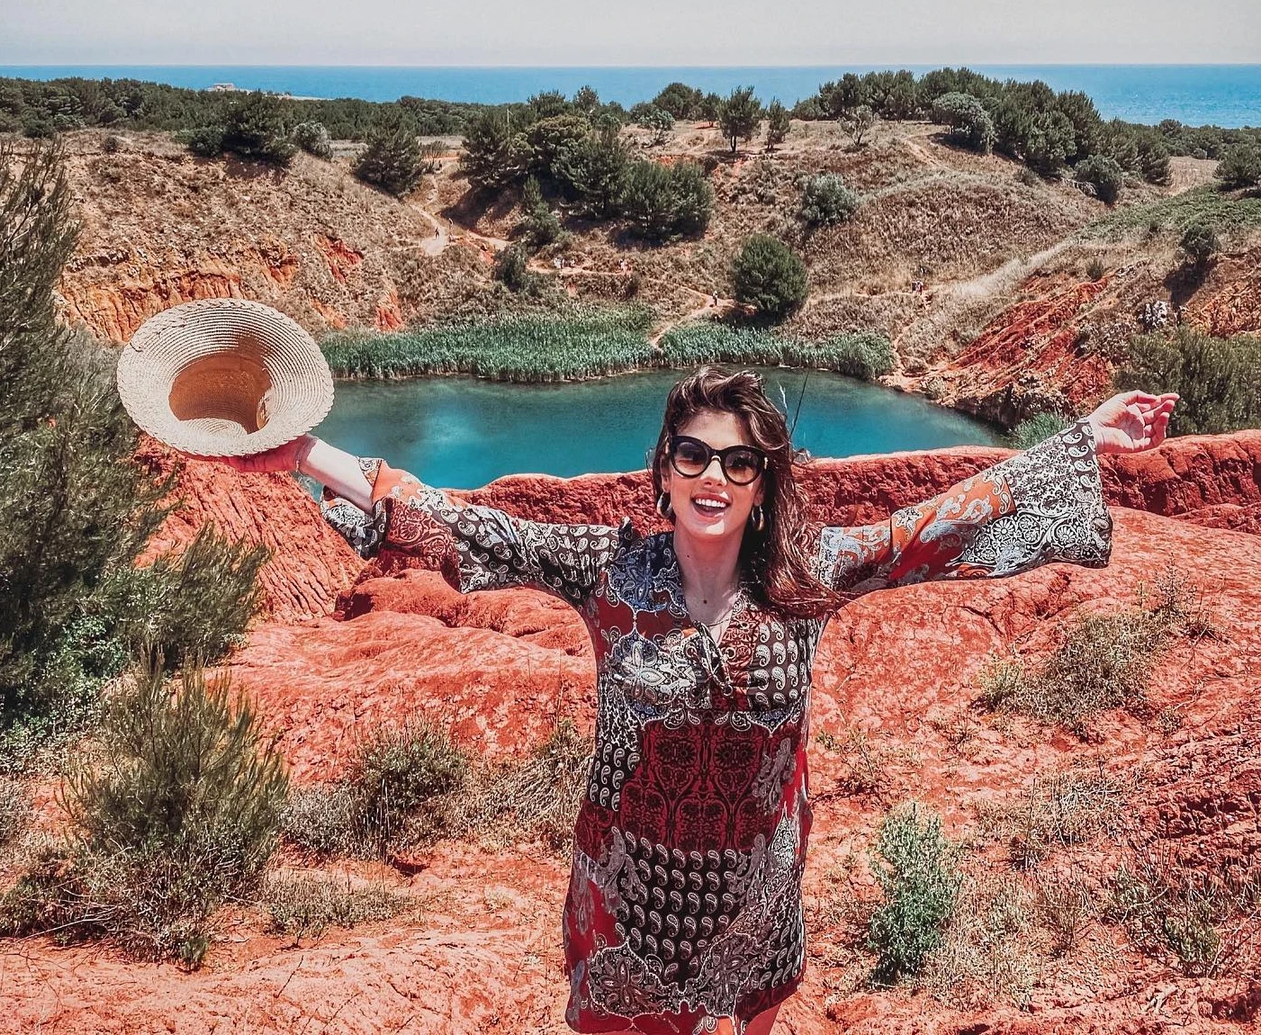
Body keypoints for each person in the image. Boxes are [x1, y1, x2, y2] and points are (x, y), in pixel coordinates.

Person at [215, 371, 1177, 1035]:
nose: (713, 476)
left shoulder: (811, 574)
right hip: (627, 899)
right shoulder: (608, 568)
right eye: (694, 455)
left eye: (739, 463)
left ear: (765, 483)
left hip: (752, 900)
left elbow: (938, 524)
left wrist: (1078, 443)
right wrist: (305, 454)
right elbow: (456, 519)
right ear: (665, 467)